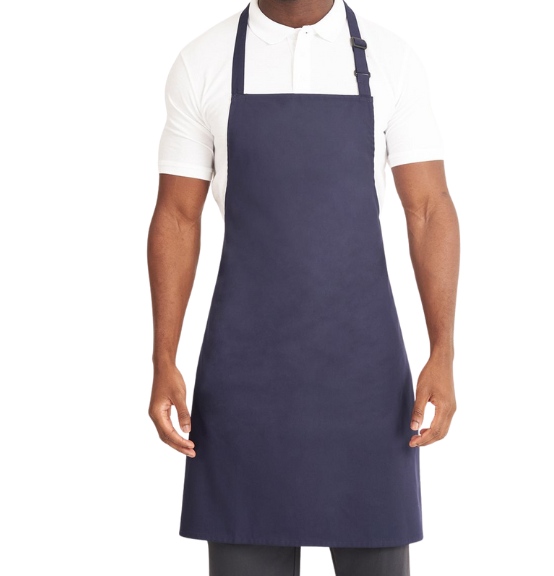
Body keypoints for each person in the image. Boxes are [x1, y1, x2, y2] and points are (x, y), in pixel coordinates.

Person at [147, 0, 459, 574]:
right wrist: (163, 358)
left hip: (365, 381)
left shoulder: (392, 59)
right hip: (245, 380)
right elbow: (177, 216)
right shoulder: (203, 60)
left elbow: (429, 209)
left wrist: (443, 352)